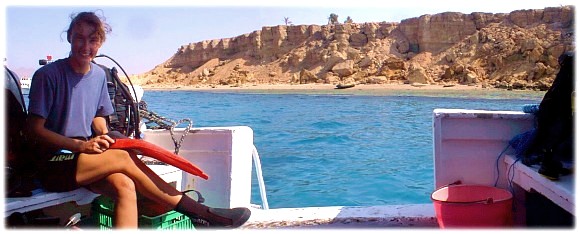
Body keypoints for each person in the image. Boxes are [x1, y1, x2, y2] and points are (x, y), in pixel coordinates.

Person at [26, 11, 251, 229]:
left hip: (84, 159)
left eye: (92, 40)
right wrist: (80, 145)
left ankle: (200, 215)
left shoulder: (98, 76)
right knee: (124, 159)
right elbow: (35, 129)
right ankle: (201, 213)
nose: (86, 47)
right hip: (52, 164)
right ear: (69, 38)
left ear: (100, 43)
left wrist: (110, 138)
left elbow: (98, 119)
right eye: (79, 38)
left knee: (125, 185)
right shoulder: (48, 75)